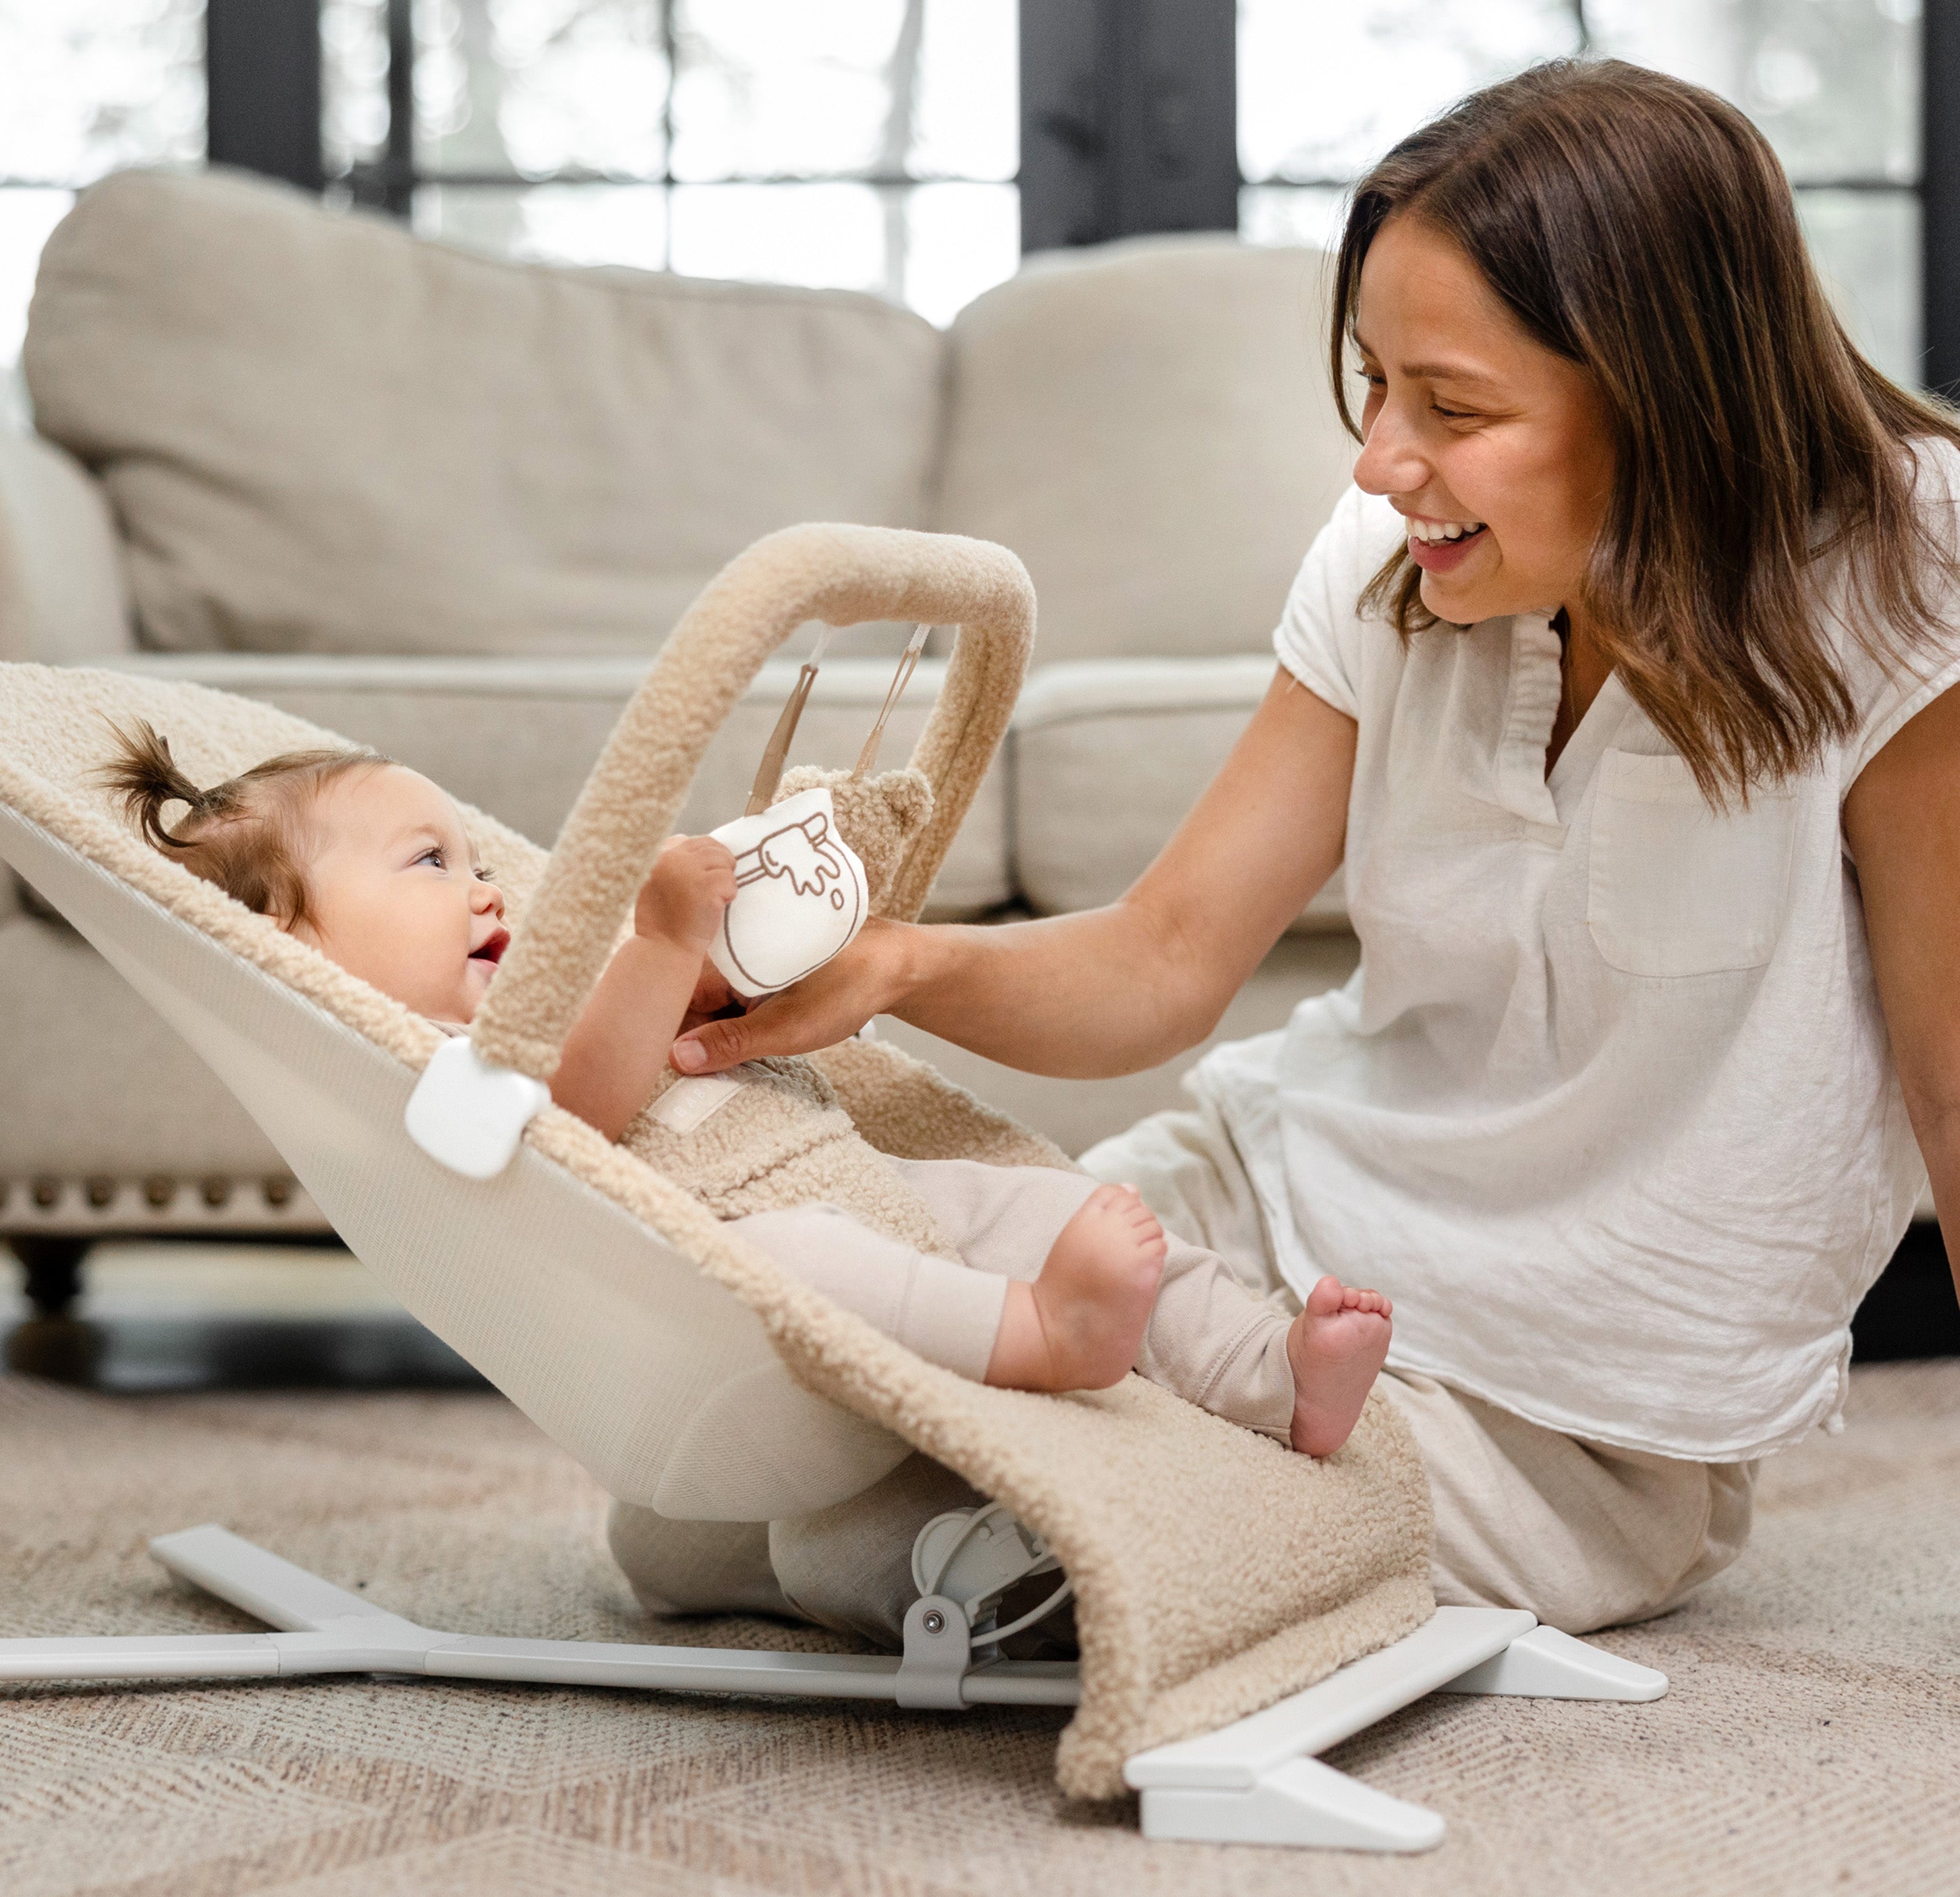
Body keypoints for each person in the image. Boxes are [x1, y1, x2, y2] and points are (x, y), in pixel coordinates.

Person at [662, 59, 1960, 1641]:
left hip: (1560, 1412)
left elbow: (1954, 1084)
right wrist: (895, 971)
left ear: (1663, 399)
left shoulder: (1905, 581)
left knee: (876, 1547)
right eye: (1376, 387)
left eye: (1455, 408)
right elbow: (1164, 960)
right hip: (1264, 1204)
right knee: (696, 1489)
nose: (1380, 462)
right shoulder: (1396, 560)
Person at [99, 720, 1397, 1468]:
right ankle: (1042, 1340)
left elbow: (669, 1038)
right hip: (740, 1261)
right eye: (430, 863)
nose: (489, 887)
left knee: (1058, 1201)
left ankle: (1269, 1376)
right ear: (298, 949)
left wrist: (719, 953)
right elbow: (579, 1110)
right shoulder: (430, 1070)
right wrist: (659, 950)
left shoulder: (530, 980)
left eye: (478, 856)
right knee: (807, 1264)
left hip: (865, 1183)